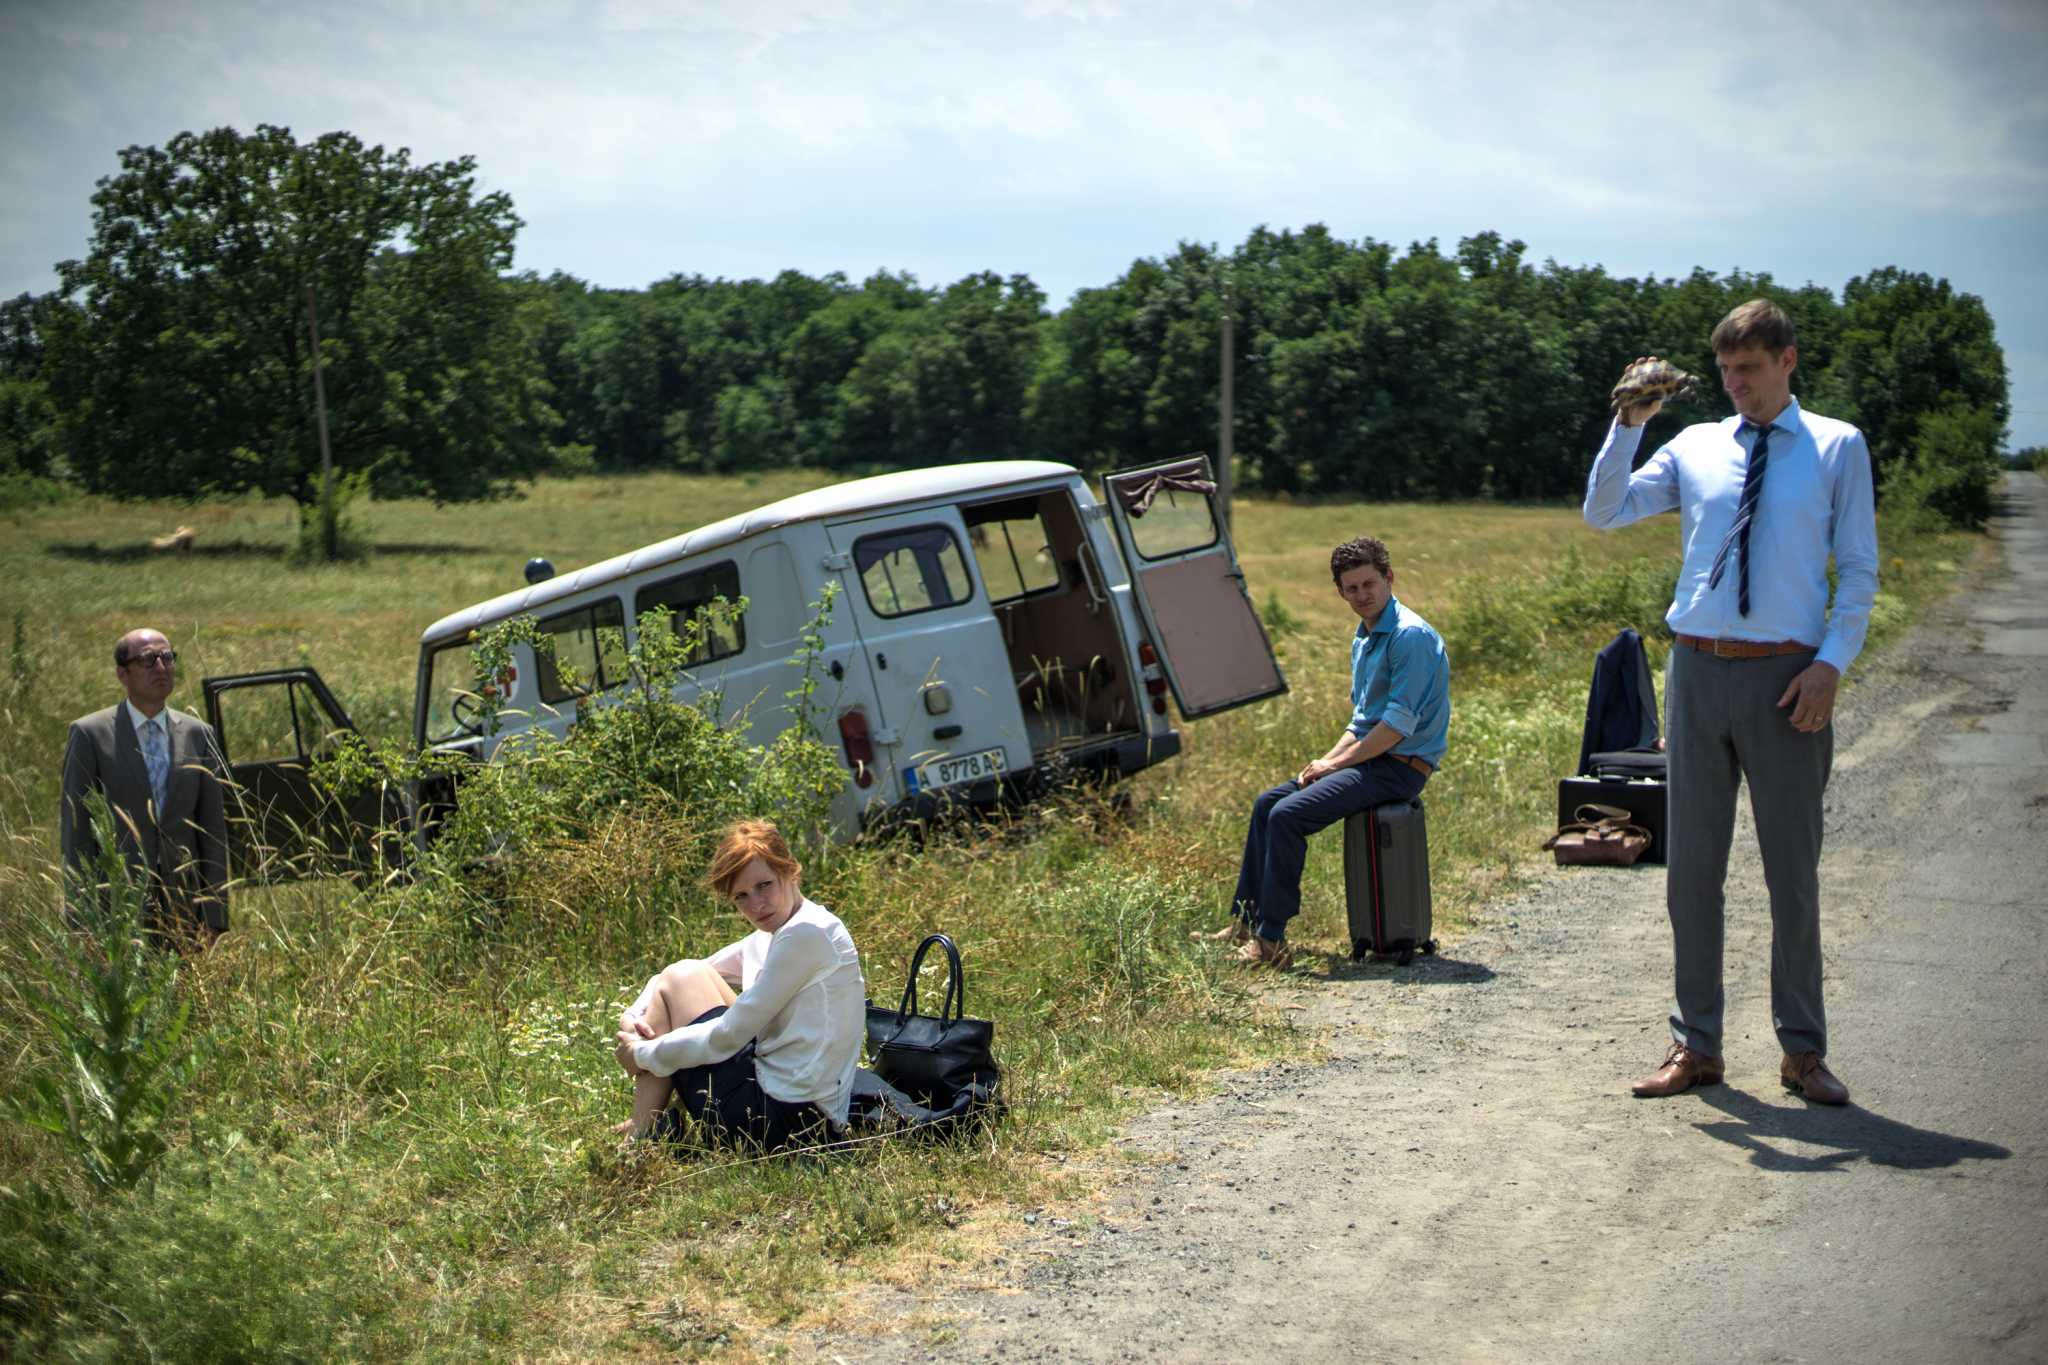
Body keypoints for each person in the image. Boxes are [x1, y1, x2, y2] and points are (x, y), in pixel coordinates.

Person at [1584, 298, 1878, 1106]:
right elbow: (1604, 511)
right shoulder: (1697, 445)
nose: (1736, 385)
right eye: (1724, 372)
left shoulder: (1835, 446)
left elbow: (1857, 569)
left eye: (1749, 368)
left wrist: (1830, 665)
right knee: (1692, 875)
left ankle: (1803, 1052)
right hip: (1698, 672)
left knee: (1793, 874)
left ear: (1787, 360)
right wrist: (1629, 424)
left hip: (1789, 677)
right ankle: (1696, 1045)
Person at [1205, 536, 1450, 967]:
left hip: (1400, 767)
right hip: (1375, 758)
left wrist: (1335, 764)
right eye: (1351, 589)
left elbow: (1395, 726)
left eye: (1369, 584)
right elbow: (1361, 721)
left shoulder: (1408, 636)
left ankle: (1271, 942)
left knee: (1288, 816)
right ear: (1340, 591)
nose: (1361, 595)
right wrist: (1323, 763)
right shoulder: (1365, 636)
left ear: (1389, 578)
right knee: (1268, 804)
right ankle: (1246, 920)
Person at [612, 819, 865, 1150]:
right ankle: (645, 1128)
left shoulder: (806, 935)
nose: (756, 905)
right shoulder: (785, 928)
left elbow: (728, 1035)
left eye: (764, 886)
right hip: (792, 1111)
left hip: (785, 1124)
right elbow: (683, 973)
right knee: (684, 974)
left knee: (683, 978)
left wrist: (641, 1054)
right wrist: (632, 1015)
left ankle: (640, 1138)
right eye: (741, 896)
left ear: (790, 872)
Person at [59, 628, 231, 946]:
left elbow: (213, 831)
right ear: (122, 673)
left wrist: (215, 916)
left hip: (184, 906)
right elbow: (76, 832)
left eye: (168, 658)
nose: (162, 668)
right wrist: (81, 919)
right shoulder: (90, 734)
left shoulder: (199, 734)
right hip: (116, 907)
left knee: (185, 996)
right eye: (149, 659)